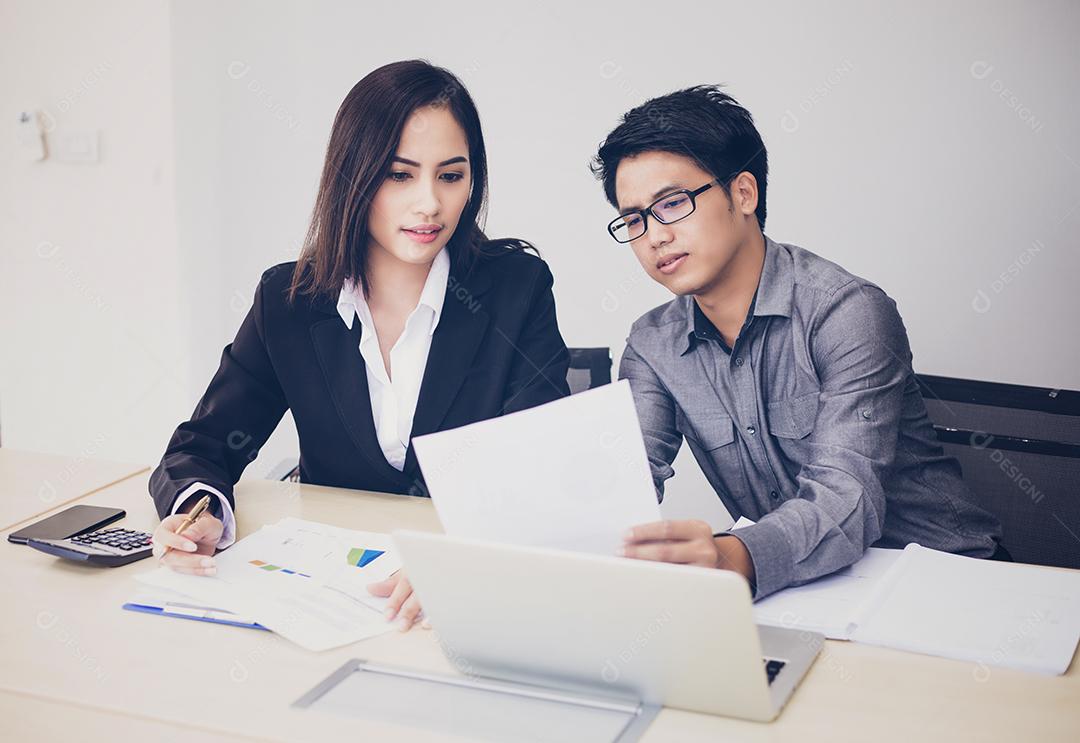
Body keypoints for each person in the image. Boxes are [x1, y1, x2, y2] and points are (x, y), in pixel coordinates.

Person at [149, 60, 570, 628]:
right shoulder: (290, 301)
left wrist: (457, 560)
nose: (429, 203)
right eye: (399, 175)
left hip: (467, 601)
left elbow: (540, 468)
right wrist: (197, 513)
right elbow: (204, 446)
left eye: (451, 176)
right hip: (334, 597)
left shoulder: (516, 289)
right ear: (352, 176)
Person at [593, 85, 1005, 599]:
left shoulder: (847, 312)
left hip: (946, 581)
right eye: (634, 219)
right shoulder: (652, 344)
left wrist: (729, 555)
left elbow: (847, 502)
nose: (654, 236)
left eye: (672, 204)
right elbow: (623, 482)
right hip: (804, 590)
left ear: (743, 194)